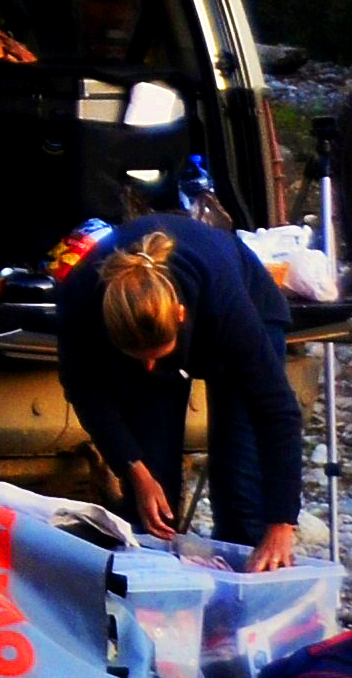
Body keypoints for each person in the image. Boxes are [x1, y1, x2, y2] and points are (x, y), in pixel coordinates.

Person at [60, 212, 309, 570]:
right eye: (138, 360)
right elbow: (86, 393)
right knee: (151, 506)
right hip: (151, 325)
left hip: (248, 301)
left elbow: (276, 412)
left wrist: (282, 523)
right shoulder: (81, 299)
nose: (149, 369)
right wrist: (136, 470)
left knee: (241, 490)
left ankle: (244, 604)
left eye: (156, 357)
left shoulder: (225, 303)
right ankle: (157, 604)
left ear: (179, 314)